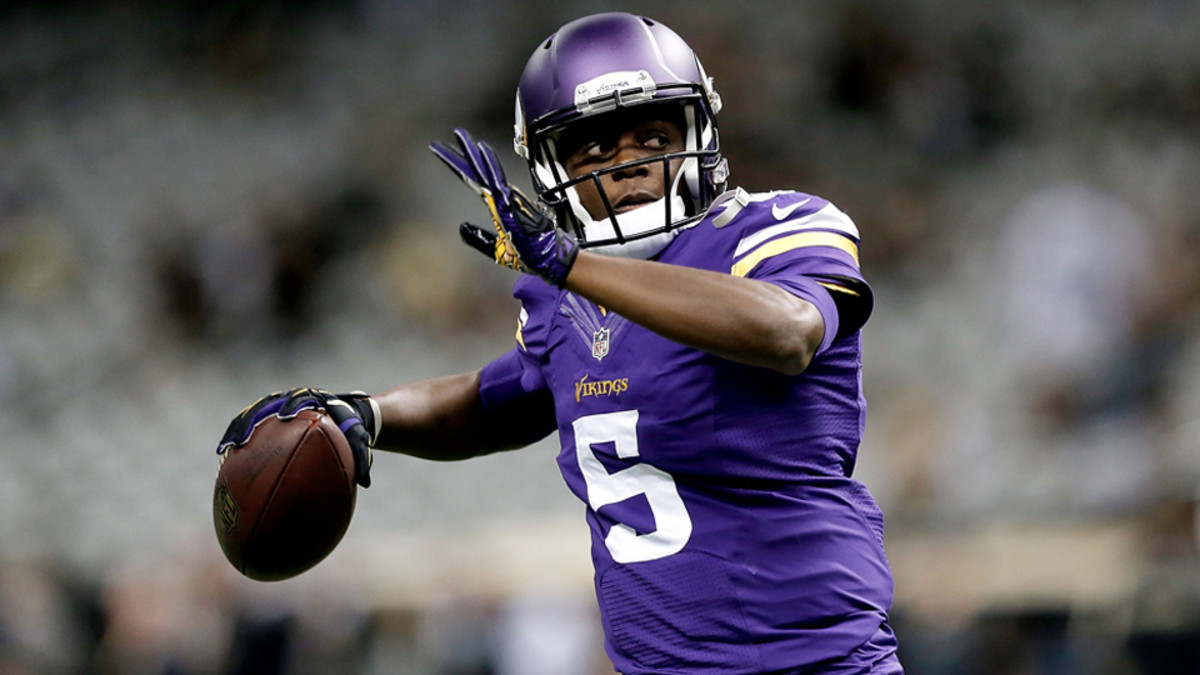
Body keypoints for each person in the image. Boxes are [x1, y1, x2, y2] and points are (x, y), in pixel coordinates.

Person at [218, 12, 901, 674]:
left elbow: (788, 331)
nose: (628, 165)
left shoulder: (777, 230)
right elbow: (497, 400)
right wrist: (369, 414)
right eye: (596, 150)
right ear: (551, 170)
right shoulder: (559, 298)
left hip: (817, 663)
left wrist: (569, 264)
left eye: (653, 136)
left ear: (699, 135)